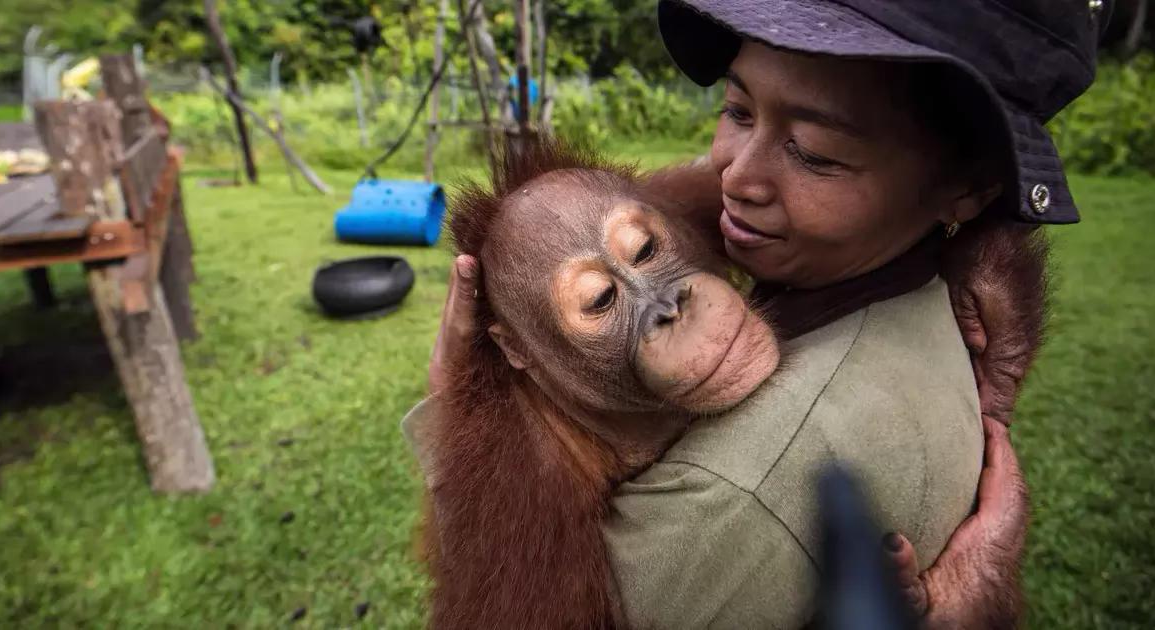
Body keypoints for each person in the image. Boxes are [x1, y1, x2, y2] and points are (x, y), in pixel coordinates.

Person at [415, 0, 1107, 626]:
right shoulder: (802, 244)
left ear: (965, 188)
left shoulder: (738, 494)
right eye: (737, 110)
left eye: (813, 152)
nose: (732, 175)